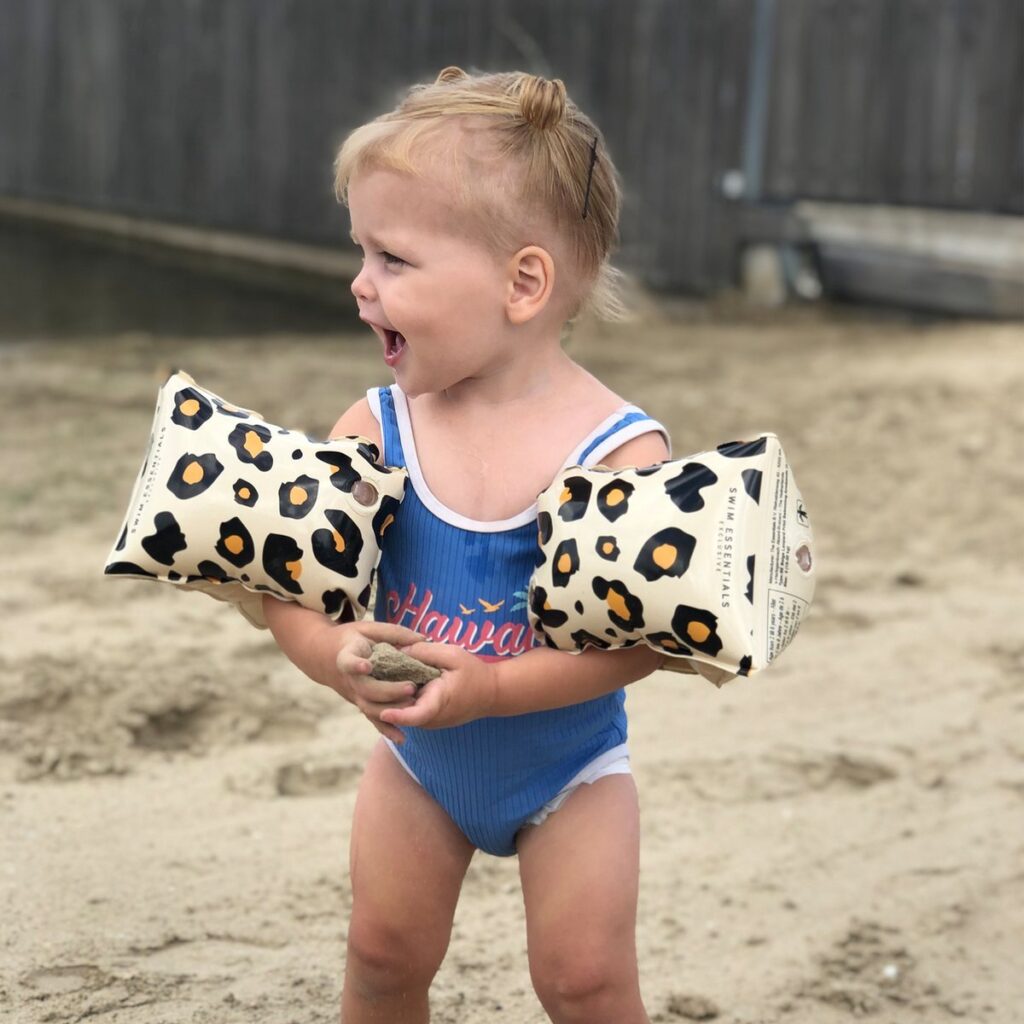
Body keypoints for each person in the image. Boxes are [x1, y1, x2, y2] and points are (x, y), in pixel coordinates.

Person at [264, 67, 671, 1024]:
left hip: (570, 771)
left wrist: (491, 690)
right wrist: (331, 655)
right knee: (381, 957)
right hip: (419, 765)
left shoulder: (617, 453)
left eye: (394, 259)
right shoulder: (375, 431)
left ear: (522, 283)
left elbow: (643, 644)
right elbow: (288, 589)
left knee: (584, 981)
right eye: (361, 251)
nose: (360, 283)